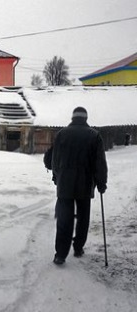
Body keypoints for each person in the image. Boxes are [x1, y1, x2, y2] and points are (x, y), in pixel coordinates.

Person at [51, 106, 108, 265]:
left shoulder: (61, 134)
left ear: (73, 118)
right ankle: (78, 247)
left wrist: (57, 177)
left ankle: (60, 254)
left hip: (65, 185)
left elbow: (55, 160)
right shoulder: (94, 135)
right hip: (85, 184)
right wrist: (101, 183)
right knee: (83, 218)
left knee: (64, 219)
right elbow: (100, 163)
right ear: (85, 118)